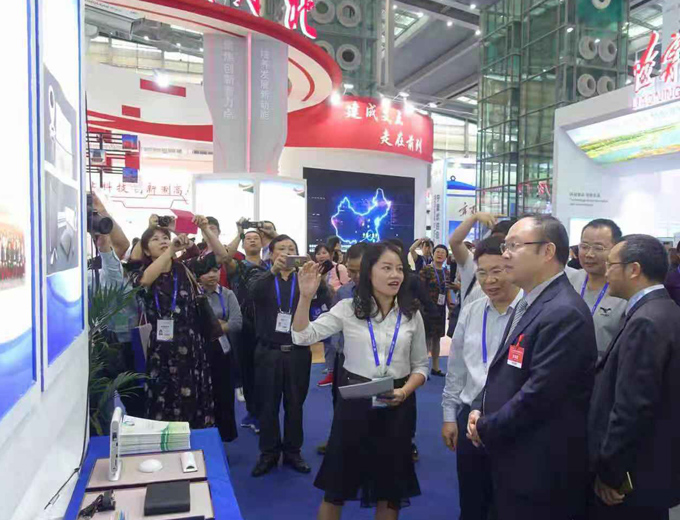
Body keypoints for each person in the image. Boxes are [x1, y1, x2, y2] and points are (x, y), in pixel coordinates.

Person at [467, 215, 597, 520]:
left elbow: (540, 394)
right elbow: (507, 370)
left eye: (514, 246)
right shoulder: (533, 302)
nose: (506, 254)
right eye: (505, 246)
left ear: (548, 251)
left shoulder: (563, 312)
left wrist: (485, 427)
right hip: (516, 454)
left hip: (540, 467)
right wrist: (479, 408)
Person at [292, 243, 428, 520]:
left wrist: (404, 391)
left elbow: (421, 366)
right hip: (355, 404)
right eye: (386, 268)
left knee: (390, 490)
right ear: (369, 273)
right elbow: (302, 336)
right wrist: (305, 297)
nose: (395, 275)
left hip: (397, 403)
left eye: (399, 269)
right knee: (336, 487)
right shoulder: (348, 308)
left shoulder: (411, 313)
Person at [587, 234, 680, 520]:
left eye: (611, 264)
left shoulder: (646, 322)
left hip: (633, 477)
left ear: (634, 269)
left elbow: (632, 407)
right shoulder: (665, 310)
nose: (605, 272)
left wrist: (610, 472)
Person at [441, 236, 522, 520]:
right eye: (482, 273)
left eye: (497, 271)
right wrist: (449, 415)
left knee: (509, 503)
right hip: (469, 420)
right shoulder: (473, 310)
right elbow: (457, 367)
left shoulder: (531, 312)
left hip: (513, 418)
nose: (489, 280)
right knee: (472, 501)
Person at [130, 215, 229, 428]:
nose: (163, 241)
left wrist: (205, 229)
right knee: (163, 398)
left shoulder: (185, 268)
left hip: (191, 345)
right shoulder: (141, 272)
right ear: (146, 250)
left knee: (193, 398)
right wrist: (170, 250)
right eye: (155, 239)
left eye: (165, 237)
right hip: (161, 350)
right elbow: (144, 281)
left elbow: (221, 255)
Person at [249, 234, 330, 477]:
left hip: (298, 352)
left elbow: (324, 299)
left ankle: (293, 451)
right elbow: (252, 293)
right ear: (271, 254)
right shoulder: (261, 276)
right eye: (281, 248)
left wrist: (316, 278)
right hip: (268, 351)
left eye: (291, 248)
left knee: (295, 405)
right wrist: (273, 271)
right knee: (268, 406)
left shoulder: (303, 279)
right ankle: (269, 453)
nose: (287, 252)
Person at [224, 222, 269, 433]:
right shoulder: (237, 266)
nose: (252, 240)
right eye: (248, 239)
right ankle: (253, 413)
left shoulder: (270, 265)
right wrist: (239, 232)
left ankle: (265, 411)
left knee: (266, 371)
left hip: (267, 324)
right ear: (243, 244)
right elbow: (225, 257)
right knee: (248, 370)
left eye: (256, 238)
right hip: (244, 325)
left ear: (262, 243)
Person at [567, 219, 627, 359]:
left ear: (616, 250)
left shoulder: (623, 290)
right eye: (584, 246)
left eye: (598, 248)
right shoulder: (568, 282)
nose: (589, 254)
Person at [197, 260, 243, 442]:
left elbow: (237, 323)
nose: (212, 275)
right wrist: (221, 325)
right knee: (203, 393)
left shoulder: (227, 294)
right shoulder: (193, 295)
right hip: (198, 349)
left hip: (223, 348)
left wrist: (212, 328)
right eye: (207, 271)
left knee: (224, 392)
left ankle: (225, 434)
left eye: (215, 270)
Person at [313, 244, 349, 387]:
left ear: (330, 254)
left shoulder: (339, 268)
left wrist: (334, 291)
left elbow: (348, 287)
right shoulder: (314, 269)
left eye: (324, 252)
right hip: (322, 307)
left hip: (338, 306)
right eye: (318, 253)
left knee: (336, 341)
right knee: (327, 341)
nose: (321, 256)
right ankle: (330, 369)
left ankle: (335, 370)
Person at [449, 213, 499, 309]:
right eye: (482, 273)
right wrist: (474, 217)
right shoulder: (473, 264)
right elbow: (455, 242)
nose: (490, 280)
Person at [419, 244, 450, 376]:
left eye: (443, 252)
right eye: (438, 252)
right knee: (426, 339)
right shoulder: (426, 270)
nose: (440, 254)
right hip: (427, 309)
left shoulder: (446, 272)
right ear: (433, 254)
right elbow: (419, 289)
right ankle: (423, 369)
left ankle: (436, 368)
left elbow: (447, 290)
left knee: (437, 338)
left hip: (440, 309)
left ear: (446, 257)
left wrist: (450, 306)